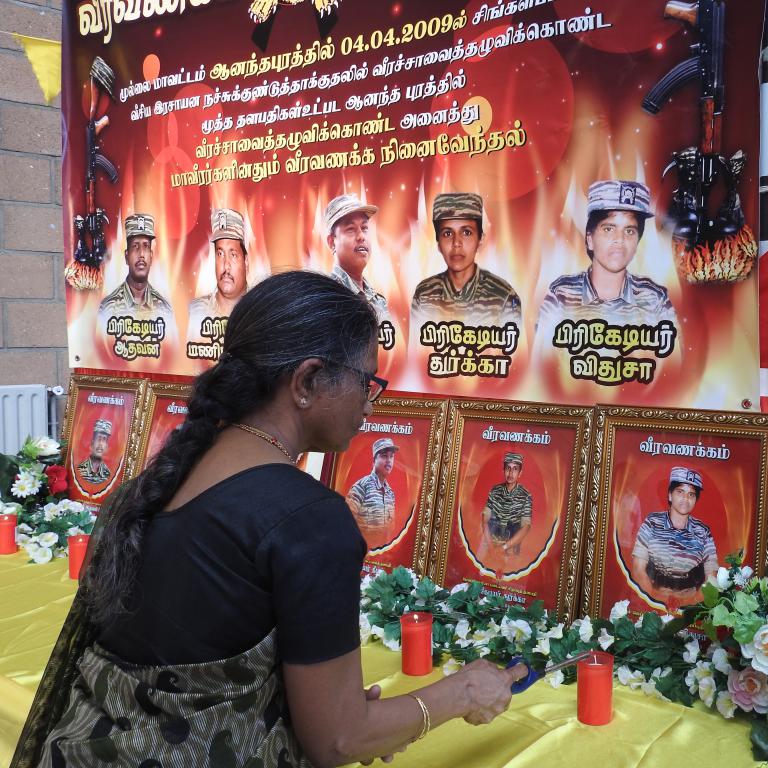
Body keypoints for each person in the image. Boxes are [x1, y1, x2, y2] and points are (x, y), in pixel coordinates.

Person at [13, 271, 525, 768]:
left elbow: (199, 648)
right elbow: (339, 740)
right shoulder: (309, 521)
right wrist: (463, 691)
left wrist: (331, 707)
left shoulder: (160, 481)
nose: (371, 402)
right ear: (306, 381)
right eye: (366, 381)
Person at [537, 180, 676, 330]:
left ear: (637, 243)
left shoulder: (655, 300)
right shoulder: (561, 297)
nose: (619, 239)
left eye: (629, 231)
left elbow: (674, 344)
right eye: (608, 229)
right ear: (590, 239)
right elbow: (543, 345)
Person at [410, 192, 521, 329]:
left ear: (480, 240)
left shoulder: (503, 296)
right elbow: (415, 343)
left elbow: (516, 343)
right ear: (438, 244)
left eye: (466, 232)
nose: (456, 243)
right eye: (447, 233)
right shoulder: (424, 295)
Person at [632, 467, 719, 605]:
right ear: (670, 495)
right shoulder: (652, 523)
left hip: (689, 602)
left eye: (691, 494)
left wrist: (691, 605)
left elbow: (711, 577)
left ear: (696, 499)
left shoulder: (703, 531)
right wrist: (655, 601)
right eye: (680, 492)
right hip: (652, 597)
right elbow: (638, 568)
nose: (686, 499)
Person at [98, 213, 177, 334]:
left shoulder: (164, 309)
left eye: (146, 246)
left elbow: (170, 345)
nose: (141, 254)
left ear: (151, 256)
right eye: (135, 246)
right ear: (126, 256)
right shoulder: (108, 309)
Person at [323, 193, 390, 325]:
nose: (361, 236)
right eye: (351, 229)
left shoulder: (379, 301)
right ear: (332, 242)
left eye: (364, 228)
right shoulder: (326, 297)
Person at [188, 207, 250, 332]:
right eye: (220, 254)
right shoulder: (195, 312)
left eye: (233, 255)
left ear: (246, 262)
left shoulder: (261, 311)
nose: (226, 265)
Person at [481, 452, 532, 558]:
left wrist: (503, 548)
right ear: (503, 470)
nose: (511, 473)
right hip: (491, 543)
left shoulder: (526, 495)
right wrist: (491, 548)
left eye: (515, 469)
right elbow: (485, 520)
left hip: (511, 548)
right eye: (508, 468)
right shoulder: (495, 491)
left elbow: (526, 527)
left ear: (520, 473)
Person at [347, 437, 398, 535]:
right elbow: (345, 523)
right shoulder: (361, 487)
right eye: (384, 456)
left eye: (391, 456)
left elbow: (391, 531)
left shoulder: (390, 493)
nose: (389, 460)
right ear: (374, 460)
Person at [75, 418, 113, 484]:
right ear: (92, 443)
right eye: (98, 438)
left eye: (104, 439)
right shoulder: (80, 470)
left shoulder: (107, 474)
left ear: (106, 446)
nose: (100, 444)